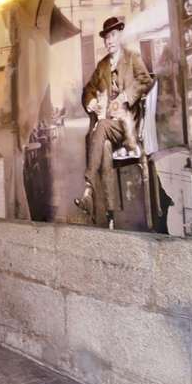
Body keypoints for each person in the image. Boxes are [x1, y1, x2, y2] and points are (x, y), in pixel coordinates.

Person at [75, 17, 154, 228]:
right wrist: (91, 102)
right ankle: (110, 215)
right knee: (105, 147)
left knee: (100, 128)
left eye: (112, 35)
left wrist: (126, 96)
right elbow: (87, 89)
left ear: (120, 35)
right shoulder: (101, 66)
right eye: (106, 37)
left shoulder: (133, 57)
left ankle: (88, 188)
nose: (109, 40)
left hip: (126, 126)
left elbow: (146, 80)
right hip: (109, 129)